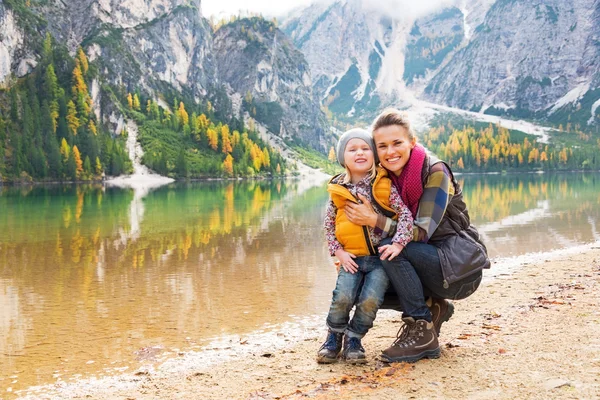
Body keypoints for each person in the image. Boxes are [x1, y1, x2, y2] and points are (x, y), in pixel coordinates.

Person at [344, 109, 490, 363]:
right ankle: (435, 307)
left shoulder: (435, 171)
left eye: (397, 143)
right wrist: (343, 251)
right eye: (382, 146)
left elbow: (421, 232)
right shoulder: (383, 179)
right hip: (428, 267)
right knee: (360, 277)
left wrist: (374, 220)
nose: (390, 152)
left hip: (459, 271)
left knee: (391, 247)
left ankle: (421, 329)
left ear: (412, 142)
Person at [318, 128, 414, 364]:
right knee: (342, 297)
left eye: (365, 148)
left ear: (373, 154)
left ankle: (354, 339)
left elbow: (405, 216)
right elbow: (328, 225)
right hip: (351, 258)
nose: (359, 153)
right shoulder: (338, 191)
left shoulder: (384, 186)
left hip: (379, 261)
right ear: (343, 158)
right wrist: (338, 251)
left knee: (370, 301)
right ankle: (333, 336)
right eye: (352, 149)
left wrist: (399, 244)